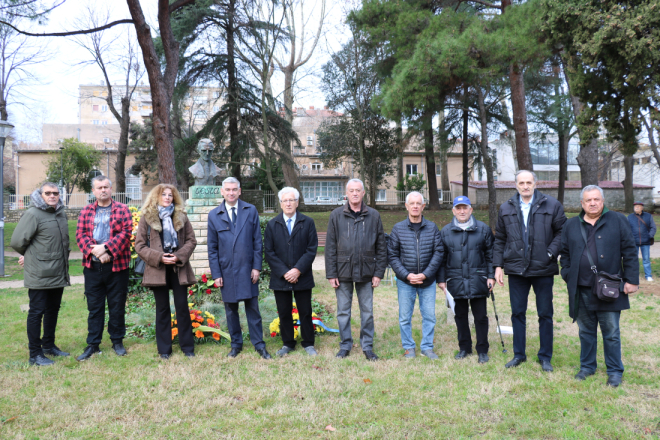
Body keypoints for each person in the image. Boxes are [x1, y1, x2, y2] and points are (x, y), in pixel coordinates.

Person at [559, 185, 639, 387]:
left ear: (602, 201)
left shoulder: (618, 220)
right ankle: (587, 367)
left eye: (596, 199)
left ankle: (614, 371)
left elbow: (629, 250)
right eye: (588, 200)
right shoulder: (571, 225)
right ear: (582, 203)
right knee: (585, 331)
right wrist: (567, 273)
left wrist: (631, 280)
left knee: (611, 332)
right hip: (581, 288)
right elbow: (565, 253)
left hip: (609, 288)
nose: (592, 203)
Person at [493, 170, 566, 372]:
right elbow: (500, 238)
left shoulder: (551, 205)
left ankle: (545, 357)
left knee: (545, 314)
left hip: (543, 269)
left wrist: (550, 253)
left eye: (529, 182)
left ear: (535, 183)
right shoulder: (506, 208)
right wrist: (498, 266)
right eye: (521, 183)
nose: (525, 186)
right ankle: (519, 355)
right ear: (515, 185)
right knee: (517, 313)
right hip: (516, 270)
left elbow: (562, 231)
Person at [208, 177, 271, 359]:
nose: (231, 192)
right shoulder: (214, 215)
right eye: (227, 189)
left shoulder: (250, 211)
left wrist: (257, 267)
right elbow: (212, 248)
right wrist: (216, 273)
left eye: (234, 189)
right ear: (222, 192)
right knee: (231, 310)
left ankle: (259, 344)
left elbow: (257, 242)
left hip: (247, 269)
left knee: (253, 309)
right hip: (226, 271)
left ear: (240, 191)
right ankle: (236, 344)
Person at [325, 178, 387, 361]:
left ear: (363, 193)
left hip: (367, 272)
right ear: (347, 193)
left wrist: (378, 273)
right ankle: (345, 345)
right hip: (342, 271)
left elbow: (381, 247)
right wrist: (331, 273)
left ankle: (367, 346)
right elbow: (330, 247)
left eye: (357, 190)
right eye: (351, 190)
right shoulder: (336, 215)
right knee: (343, 311)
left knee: (367, 311)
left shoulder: (374, 216)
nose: (354, 193)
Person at [11, 183, 70, 366]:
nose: (52, 196)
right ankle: (35, 354)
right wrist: (29, 255)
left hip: (58, 272)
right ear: (40, 195)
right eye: (48, 193)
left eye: (55, 193)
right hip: (39, 273)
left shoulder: (60, 214)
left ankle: (48, 345)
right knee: (37, 312)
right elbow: (17, 241)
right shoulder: (33, 214)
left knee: (53, 310)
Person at [135, 184, 198, 359]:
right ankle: (164, 350)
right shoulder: (147, 218)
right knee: (162, 309)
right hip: (158, 268)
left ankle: (187, 348)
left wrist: (178, 256)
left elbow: (191, 241)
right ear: (157, 197)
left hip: (178, 268)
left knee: (182, 308)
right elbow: (139, 245)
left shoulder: (181, 216)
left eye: (171, 195)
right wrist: (159, 257)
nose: (168, 198)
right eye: (164, 195)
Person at [75, 176, 133, 361]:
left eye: (106, 187)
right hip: (93, 266)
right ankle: (93, 344)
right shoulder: (85, 211)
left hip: (117, 267)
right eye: (99, 187)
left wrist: (107, 248)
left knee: (117, 306)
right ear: (93, 191)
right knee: (95, 307)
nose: (103, 190)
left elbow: (126, 233)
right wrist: (98, 253)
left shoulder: (122, 210)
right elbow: (81, 235)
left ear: (111, 189)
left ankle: (117, 341)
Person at [437, 196, 494, 364]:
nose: (462, 211)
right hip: (455, 281)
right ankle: (464, 348)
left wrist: (490, 276)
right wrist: (441, 280)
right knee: (460, 316)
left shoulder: (483, 229)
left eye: (465, 208)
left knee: (481, 317)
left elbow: (491, 255)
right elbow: (441, 258)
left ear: (471, 210)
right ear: (453, 211)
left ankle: (482, 350)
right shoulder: (445, 232)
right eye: (458, 208)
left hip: (478, 280)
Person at [388, 191, 443, 360]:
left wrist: (425, 274)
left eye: (418, 203)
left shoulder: (432, 227)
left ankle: (427, 347)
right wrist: (407, 275)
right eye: (412, 203)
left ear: (423, 206)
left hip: (427, 282)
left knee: (429, 316)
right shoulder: (398, 229)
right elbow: (392, 255)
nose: (415, 206)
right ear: (406, 206)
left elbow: (438, 252)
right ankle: (408, 347)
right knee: (405, 316)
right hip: (406, 282)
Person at [264, 187, 319, 357]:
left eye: (291, 200)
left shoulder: (307, 222)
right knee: (284, 312)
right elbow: (269, 252)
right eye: (285, 200)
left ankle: (308, 343)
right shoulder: (272, 224)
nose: (288, 203)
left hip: (302, 277)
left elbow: (311, 249)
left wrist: (297, 270)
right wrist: (285, 272)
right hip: (281, 278)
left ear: (297, 202)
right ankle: (288, 343)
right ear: (280, 203)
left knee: (305, 311)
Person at [628, 201, 656, 282]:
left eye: (638, 206)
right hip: (634, 242)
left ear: (642, 208)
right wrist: (630, 238)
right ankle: (634, 275)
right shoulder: (630, 217)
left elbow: (653, 227)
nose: (636, 207)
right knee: (633, 260)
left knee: (646, 259)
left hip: (645, 242)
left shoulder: (648, 216)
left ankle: (648, 276)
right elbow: (626, 229)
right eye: (635, 206)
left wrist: (649, 236)